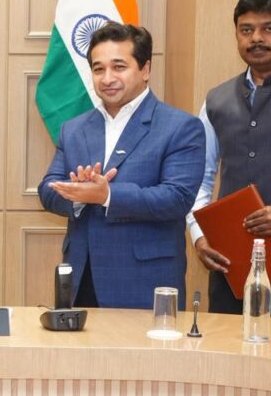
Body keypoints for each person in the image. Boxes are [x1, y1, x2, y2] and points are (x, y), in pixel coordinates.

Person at [38, 23, 205, 309]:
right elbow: (48, 189)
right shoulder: (74, 129)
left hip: (145, 280)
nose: (107, 78)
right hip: (83, 277)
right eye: (98, 69)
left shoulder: (180, 127)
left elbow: (177, 198)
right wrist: (77, 194)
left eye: (119, 67)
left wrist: (107, 195)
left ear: (145, 69)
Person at [187, 0, 271, 317]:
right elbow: (199, 178)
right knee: (224, 347)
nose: (256, 39)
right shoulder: (216, 99)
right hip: (230, 266)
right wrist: (199, 235)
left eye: (269, 28)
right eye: (246, 30)